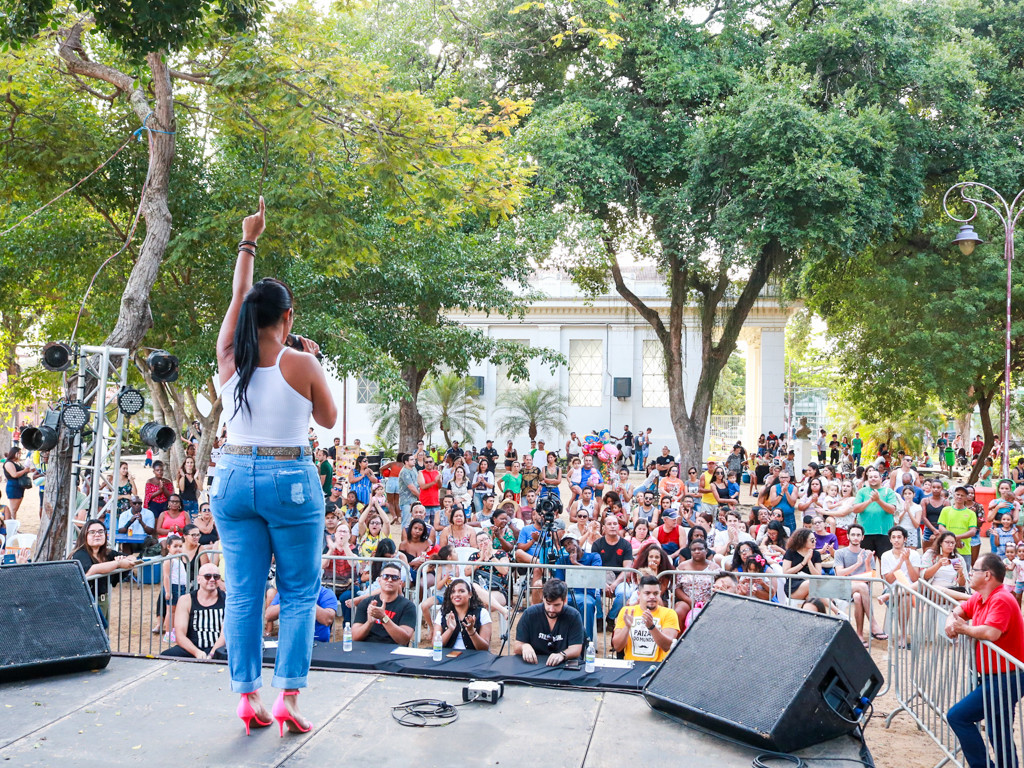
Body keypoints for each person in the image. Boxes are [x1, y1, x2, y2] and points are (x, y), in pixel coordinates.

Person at [213, 197, 337, 736]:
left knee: (242, 592)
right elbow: (329, 421)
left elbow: (238, 295)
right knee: (298, 593)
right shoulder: (303, 361)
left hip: (234, 475)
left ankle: (247, 697)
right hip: (290, 479)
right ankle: (286, 696)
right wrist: (314, 360)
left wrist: (249, 239)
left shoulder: (227, 358)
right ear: (288, 318)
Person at [946, 552, 1024, 768]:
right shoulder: (981, 597)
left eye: (975, 570)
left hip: (1007, 677)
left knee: (958, 717)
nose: (970, 573)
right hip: (995, 676)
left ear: (987, 575)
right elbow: (958, 610)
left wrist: (964, 628)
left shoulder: (1002, 598)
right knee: (998, 730)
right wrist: (950, 622)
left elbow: (991, 633)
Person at [71, 519, 139, 628]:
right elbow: (89, 570)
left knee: (103, 633)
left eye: (100, 532)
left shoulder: (107, 553)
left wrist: (128, 559)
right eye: (92, 532)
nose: (97, 535)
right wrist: (118, 563)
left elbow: (132, 557)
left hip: (103, 600)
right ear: (84, 535)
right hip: (85, 602)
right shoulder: (80, 554)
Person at [161, 564, 227, 663]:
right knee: (163, 658)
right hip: (192, 648)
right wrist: (196, 652)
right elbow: (180, 635)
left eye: (216, 577)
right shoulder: (186, 600)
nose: (212, 579)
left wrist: (212, 654)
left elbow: (225, 634)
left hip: (219, 649)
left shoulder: (227, 600)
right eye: (208, 576)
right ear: (198, 579)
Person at [513, 579, 585, 666]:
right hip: (535, 663)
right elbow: (517, 646)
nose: (551, 609)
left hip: (562, 664)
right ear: (543, 599)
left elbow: (576, 648)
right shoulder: (530, 614)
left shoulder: (573, 616)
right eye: (548, 604)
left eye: (556, 605)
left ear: (565, 601)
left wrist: (562, 655)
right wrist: (524, 646)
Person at [834, 524, 886, 644]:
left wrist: (867, 562)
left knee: (858, 596)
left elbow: (871, 577)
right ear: (848, 536)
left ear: (862, 537)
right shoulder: (840, 553)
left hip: (861, 591)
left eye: (858, 535)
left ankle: (859, 634)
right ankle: (873, 623)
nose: (855, 537)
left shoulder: (867, 553)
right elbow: (840, 574)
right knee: (862, 587)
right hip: (845, 588)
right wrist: (857, 565)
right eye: (853, 534)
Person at [612, 575, 680, 662]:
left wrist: (652, 627)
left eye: (655, 593)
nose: (652, 597)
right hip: (631, 665)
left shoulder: (669, 613)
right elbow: (617, 647)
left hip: (657, 667)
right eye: (647, 593)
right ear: (639, 594)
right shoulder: (627, 611)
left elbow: (667, 646)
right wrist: (627, 627)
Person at [351, 561, 417, 645]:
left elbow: (404, 640)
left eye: (395, 578)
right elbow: (354, 637)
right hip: (367, 649)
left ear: (400, 583)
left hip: (394, 651)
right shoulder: (366, 603)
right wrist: (369, 623)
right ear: (379, 581)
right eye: (386, 576)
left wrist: (383, 618)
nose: (389, 580)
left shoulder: (408, 606)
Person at [851, 468, 899, 557]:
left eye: (875, 477)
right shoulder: (862, 491)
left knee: (884, 560)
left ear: (881, 479)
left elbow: (892, 510)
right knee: (866, 561)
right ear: (867, 479)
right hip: (865, 532)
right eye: (870, 477)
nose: (873, 478)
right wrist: (870, 501)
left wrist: (878, 500)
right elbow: (855, 509)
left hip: (884, 532)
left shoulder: (888, 491)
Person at [268, 585, 338, 644]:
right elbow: (268, 615)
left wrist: (306, 599)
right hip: (288, 642)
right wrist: (292, 599)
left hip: (317, 643)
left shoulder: (325, 593)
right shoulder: (286, 591)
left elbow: (327, 620)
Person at [438, 578, 493, 651]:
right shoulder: (443, 612)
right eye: (453, 592)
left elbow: (484, 648)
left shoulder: (482, 613)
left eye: (461, 591)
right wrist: (450, 630)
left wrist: (472, 632)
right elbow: (435, 644)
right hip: (448, 657)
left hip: (474, 658)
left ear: (470, 594)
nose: (456, 594)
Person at [921, 530, 969, 601]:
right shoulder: (930, 555)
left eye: (952, 543)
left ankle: (967, 599)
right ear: (940, 543)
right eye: (947, 542)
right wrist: (938, 565)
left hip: (953, 590)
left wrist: (960, 573)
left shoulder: (959, 559)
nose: (950, 545)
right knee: (938, 589)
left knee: (962, 604)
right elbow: (924, 576)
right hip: (934, 591)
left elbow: (962, 585)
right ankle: (970, 598)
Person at [939, 486, 980, 569]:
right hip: (947, 549)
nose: (959, 497)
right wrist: (953, 539)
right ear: (954, 495)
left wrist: (956, 538)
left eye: (962, 495)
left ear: (966, 498)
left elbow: (972, 531)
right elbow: (941, 527)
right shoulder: (946, 510)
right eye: (957, 494)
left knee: (964, 574)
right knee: (946, 572)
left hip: (964, 549)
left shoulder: (971, 513)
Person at [781, 528, 822, 601]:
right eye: (812, 540)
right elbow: (786, 572)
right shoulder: (791, 552)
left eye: (815, 539)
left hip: (812, 585)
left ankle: (837, 611)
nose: (815, 542)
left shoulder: (816, 554)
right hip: (794, 585)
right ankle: (836, 610)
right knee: (812, 584)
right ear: (803, 541)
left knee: (813, 596)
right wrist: (803, 562)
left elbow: (818, 575)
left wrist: (809, 561)